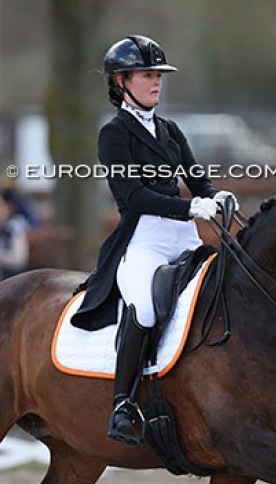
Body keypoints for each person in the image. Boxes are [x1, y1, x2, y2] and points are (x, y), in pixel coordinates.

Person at [69, 35, 238, 445]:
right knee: (144, 307)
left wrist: (215, 195)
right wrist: (189, 208)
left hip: (182, 237)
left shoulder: (169, 129)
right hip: (143, 239)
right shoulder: (114, 134)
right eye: (148, 75)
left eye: (159, 75)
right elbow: (132, 196)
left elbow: (196, 178)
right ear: (122, 81)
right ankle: (123, 404)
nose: (157, 82)